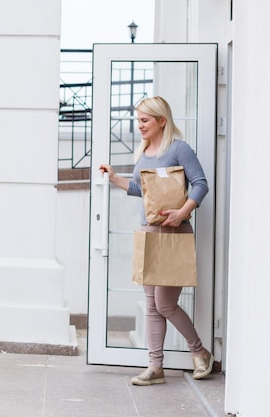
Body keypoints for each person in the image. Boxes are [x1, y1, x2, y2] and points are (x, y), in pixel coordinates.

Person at [99, 96, 214, 386]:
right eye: (138, 120)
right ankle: (155, 367)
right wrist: (116, 179)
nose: (140, 126)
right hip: (149, 233)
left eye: (145, 120)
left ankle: (200, 353)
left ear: (162, 120)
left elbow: (200, 184)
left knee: (165, 303)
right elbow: (143, 189)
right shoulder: (144, 151)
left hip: (174, 233)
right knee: (151, 305)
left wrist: (183, 212)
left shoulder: (179, 149)